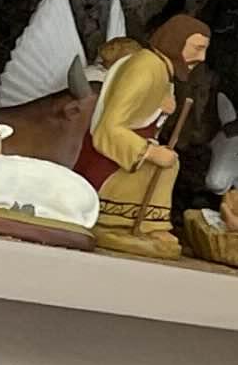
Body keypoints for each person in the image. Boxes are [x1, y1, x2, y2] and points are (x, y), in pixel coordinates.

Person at [79, 20, 214, 250]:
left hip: (127, 157)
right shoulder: (145, 69)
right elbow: (108, 128)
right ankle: (118, 222)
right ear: (175, 42)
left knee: (169, 162)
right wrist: (149, 152)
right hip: (106, 165)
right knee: (164, 164)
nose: (201, 58)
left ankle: (148, 225)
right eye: (197, 48)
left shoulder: (161, 71)